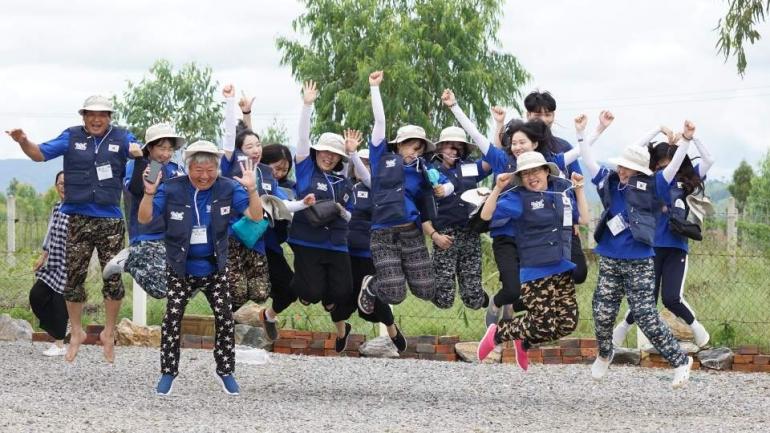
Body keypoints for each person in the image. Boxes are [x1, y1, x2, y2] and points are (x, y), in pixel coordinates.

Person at [445, 90, 610, 327]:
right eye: (514, 143)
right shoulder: (503, 160)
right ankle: (506, 309)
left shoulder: (545, 162)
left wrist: (595, 130)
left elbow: (577, 154)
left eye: (523, 142)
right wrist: (455, 106)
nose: (518, 146)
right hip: (507, 232)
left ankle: (519, 313)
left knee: (561, 277)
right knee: (513, 288)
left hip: (538, 231)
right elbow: (477, 136)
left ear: (535, 143)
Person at [6, 95, 137, 363]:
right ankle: (75, 332)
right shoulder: (71, 136)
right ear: (84, 116)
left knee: (113, 279)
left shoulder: (122, 138)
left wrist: (141, 155)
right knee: (73, 280)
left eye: (102, 115)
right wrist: (22, 141)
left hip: (110, 218)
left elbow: (147, 155)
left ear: (109, 117)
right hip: (77, 217)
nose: (96, 119)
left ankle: (108, 333)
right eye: (91, 114)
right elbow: (39, 154)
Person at [139, 140, 264, 396]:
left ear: (217, 169)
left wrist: (252, 191)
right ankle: (168, 373)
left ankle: (226, 371)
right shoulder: (172, 188)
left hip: (214, 266)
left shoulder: (227, 187)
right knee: (172, 319)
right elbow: (144, 218)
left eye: (210, 170)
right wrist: (149, 193)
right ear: (188, 168)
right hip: (180, 267)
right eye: (199, 170)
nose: (204, 176)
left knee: (225, 317)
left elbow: (256, 216)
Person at [580, 118, 694, 388]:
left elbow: (674, 166)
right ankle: (605, 352)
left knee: (646, 315)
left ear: (639, 170)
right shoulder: (609, 182)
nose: (621, 170)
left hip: (640, 261)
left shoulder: (654, 186)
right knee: (601, 311)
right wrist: (581, 133)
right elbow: (588, 160)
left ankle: (680, 362)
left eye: (628, 168)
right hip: (609, 259)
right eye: (621, 165)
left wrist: (686, 140)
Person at [476, 152, 589, 369]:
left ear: (547, 171)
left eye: (535, 170)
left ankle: (524, 341)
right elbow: (486, 216)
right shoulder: (517, 198)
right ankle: (497, 334)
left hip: (562, 268)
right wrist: (498, 189)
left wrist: (580, 189)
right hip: (536, 270)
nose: (531, 176)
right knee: (543, 323)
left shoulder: (560, 192)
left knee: (567, 323)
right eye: (526, 173)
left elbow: (582, 219)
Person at [357, 71, 453, 315]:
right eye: (412, 145)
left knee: (426, 290)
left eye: (420, 148)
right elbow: (380, 124)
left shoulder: (424, 169)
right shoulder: (382, 159)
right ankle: (371, 285)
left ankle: (405, 276)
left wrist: (444, 189)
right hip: (383, 232)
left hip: (411, 231)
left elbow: (446, 184)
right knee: (394, 295)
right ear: (399, 145)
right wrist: (374, 88)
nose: (416, 151)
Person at [613, 123, 714, 348]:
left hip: (677, 247)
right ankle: (622, 329)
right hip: (650, 247)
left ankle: (698, 330)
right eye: (659, 166)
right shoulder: (647, 182)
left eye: (670, 166)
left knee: (671, 298)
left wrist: (691, 138)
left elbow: (709, 161)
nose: (665, 171)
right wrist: (657, 129)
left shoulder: (685, 183)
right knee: (645, 298)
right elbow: (630, 154)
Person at [103, 123, 186, 298]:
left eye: (170, 149)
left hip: (171, 235)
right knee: (160, 290)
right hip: (148, 234)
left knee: (183, 284)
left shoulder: (175, 168)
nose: (166, 153)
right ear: (149, 147)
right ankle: (128, 260)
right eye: (161, 148)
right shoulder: (148, 166)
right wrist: (140, 160)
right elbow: (136, 189)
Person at [345, 145, 407, 352]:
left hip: (373, 252)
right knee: (356, 304)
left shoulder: (380, 190)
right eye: (358, 163)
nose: (362, 167)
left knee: (375, 298)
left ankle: (391, 329)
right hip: (347, 252)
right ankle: (342, 328)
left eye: (367, 163)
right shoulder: (347, 188)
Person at [423, 125, 491, 310]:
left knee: (474, 300)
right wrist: (434, 235)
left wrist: (498, 124)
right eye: (449, 146)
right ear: (440, 147)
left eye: (458, 147)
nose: (453, 150)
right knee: (444, 299)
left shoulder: (469, 166)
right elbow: (418, 208)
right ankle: (419, 280)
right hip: (444, 234)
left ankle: (489, 300)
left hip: (470, 231)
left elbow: (492, 158)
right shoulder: (427, 169)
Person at [30, 171, 70, 356]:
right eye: (60, 183)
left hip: (69, 262)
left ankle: (60, 344)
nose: (64, 187)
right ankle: (59, 331)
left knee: (58, 301)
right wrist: (42, 257)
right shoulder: (56, 207)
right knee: (36, 295)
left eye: (67, 183)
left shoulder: (78, 210)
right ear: (56, 186)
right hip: (53, 261)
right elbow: (49, 234)